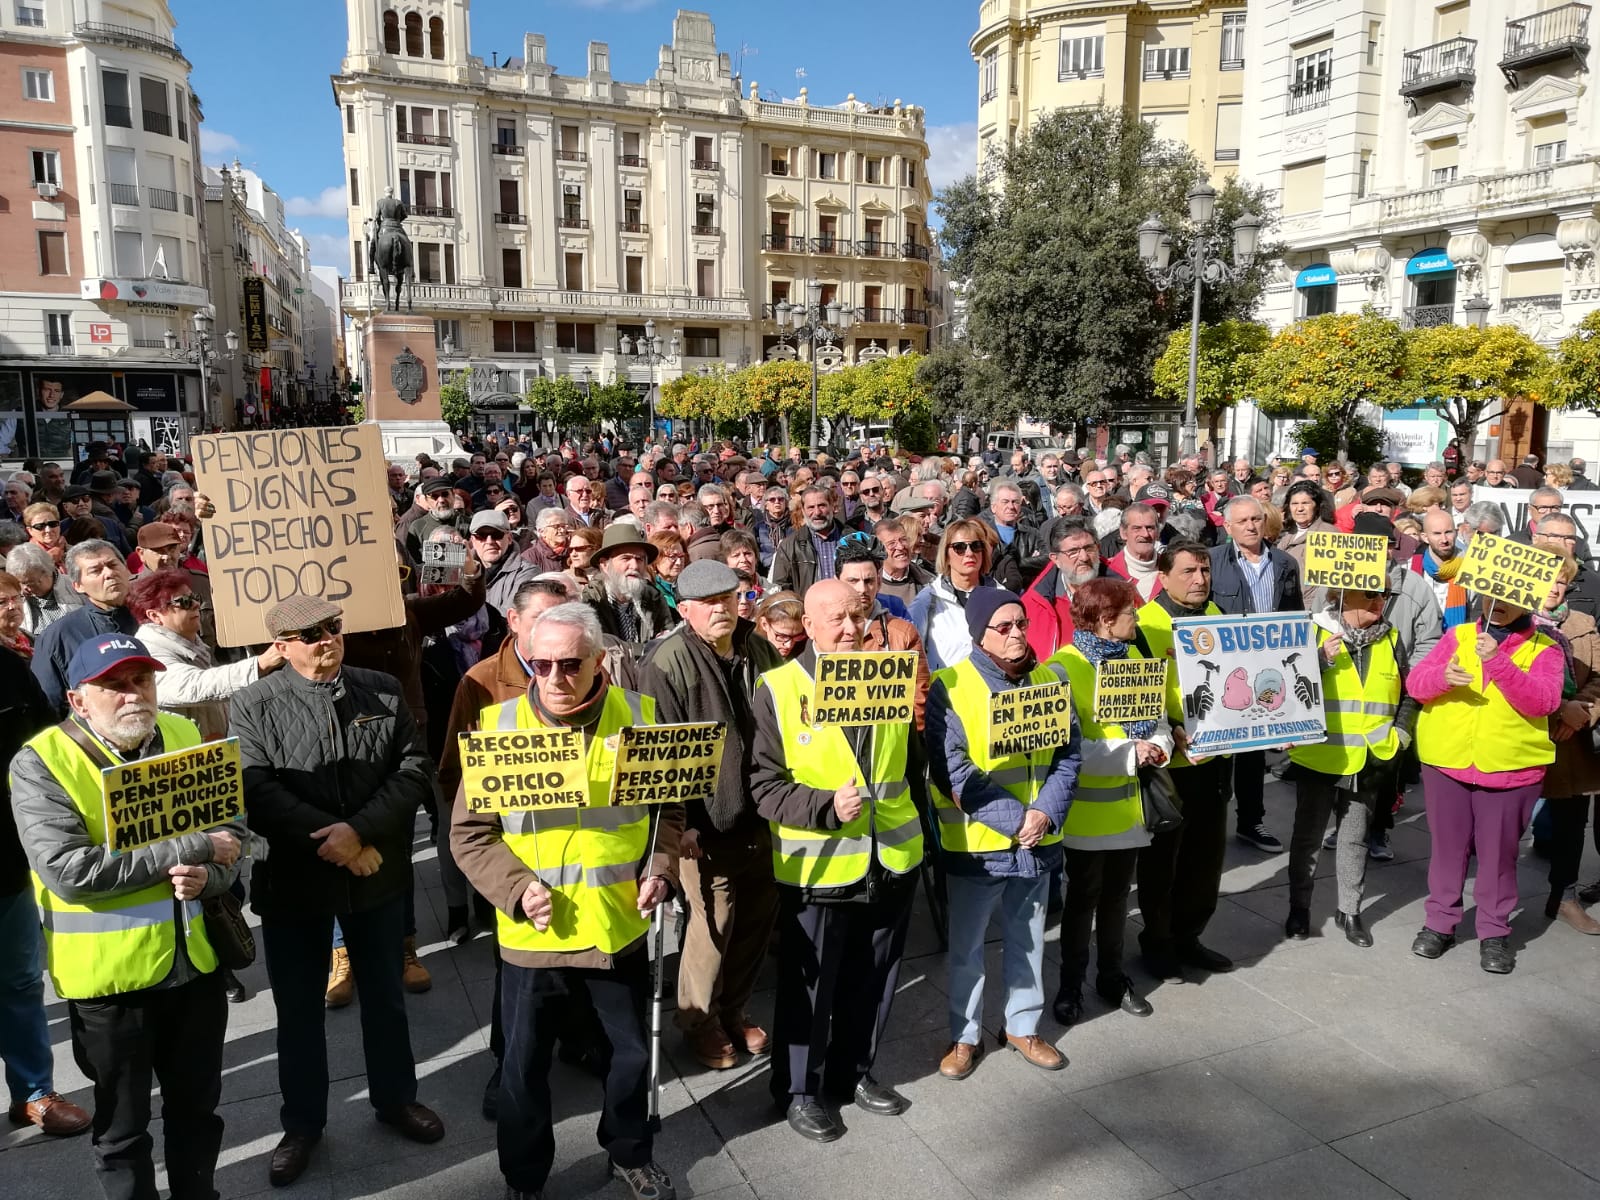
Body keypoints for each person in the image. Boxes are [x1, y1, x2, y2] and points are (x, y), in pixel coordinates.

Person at [451, 603, 681, 1200]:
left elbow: (667, 811)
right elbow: (469, 834)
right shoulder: (498, 730)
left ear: (601, 660)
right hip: (535, 938)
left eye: (569, 664)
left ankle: (630, 1152)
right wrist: (515, 887)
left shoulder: (640, 717)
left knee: (631, 1058)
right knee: (523, 1073)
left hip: (617, 927)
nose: (553, 676)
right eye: (541, 663)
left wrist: (660, 867)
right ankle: (524, 1180)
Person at [12, 634, 240, 1193]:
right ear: (78, 699)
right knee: (121, 1132)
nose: (132, 695)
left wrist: (216, 873)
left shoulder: (184, 733)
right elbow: (71, 870)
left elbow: (232, 833)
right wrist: (193, 851)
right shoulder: (41, 761)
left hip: (196, 967)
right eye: (112, 685)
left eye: (141, 680)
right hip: (110, 986)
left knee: (197, 1114)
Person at [231, 597, 444, 1186]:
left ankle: (396, 1099)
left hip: (376, 873)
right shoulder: (251, 703)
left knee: (385, 999)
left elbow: (413, 766)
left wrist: (362, 830)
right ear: (281, 646)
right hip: (296, 884)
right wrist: (336, 841)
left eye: (332, 628)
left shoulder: (379, 687)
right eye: (309, 633)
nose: (326, 639)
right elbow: (257, 789)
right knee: (298, 1014)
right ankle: (302, 1124)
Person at [750, 580, 926, 1142]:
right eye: (836, 619)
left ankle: (854, 1072)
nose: (851, 628)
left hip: (892, 855)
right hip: (820, 867)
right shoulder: (778, 687)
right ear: (808, 622)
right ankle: (799, 1090)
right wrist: (825, 806)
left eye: (859, 614)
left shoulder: (889, 675)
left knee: (873, 979)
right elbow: (763, 786)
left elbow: (912, 764)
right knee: (810, 989)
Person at [930, 587, 1080, 1080]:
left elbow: (1068, 753)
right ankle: (964, 1036)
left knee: (1029, 940)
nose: (1018, 634)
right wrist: (1015, 820)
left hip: (1038, 840)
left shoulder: (1049, 678)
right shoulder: (950, 684)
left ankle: (1022, 1026)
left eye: (1021, 624)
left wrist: (1044, 814)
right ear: (980, 635)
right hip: (980, 846)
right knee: (968, 949)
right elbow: (951, 769)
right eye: (1004, 627)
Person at [639, 561, 782, 1071]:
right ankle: (698, 1021)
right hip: (706, 820)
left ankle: (733, 1009)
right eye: (710, 602)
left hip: (763, 811)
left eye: (729, 597)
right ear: (685, 610)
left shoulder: (756, 646)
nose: (724, 608)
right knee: (712, 924)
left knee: (757, 919)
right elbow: (664, 751)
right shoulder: (667, 661)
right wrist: (683, 823)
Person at [1407, 595, 1561, 974]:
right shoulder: (1457, 635)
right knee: (1448, 849)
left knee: (1497, 855)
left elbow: (1542, 701)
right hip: (1447, 760)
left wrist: (1497, 660)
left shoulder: (1547, 648)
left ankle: (1494, 930)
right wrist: (1442, 678)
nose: (1499, 604)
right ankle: (1440, 922)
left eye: (1510, 598)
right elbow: (1415, 684)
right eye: (1493, 596)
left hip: (1510, 768)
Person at [1047, 578, 1166, 1024]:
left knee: (1118, 898)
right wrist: (1129, 755)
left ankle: (1112, 978)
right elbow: (1066, 749)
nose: (1136, 618)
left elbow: (1154, 719)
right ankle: (1070, 987)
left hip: (1130, 810)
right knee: (1082, 901)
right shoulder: (1062, 668)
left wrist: (1158, 745)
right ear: (1103, 620)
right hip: (1086, 814)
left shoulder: (1134, 657)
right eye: (1129, 613)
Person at [1285, 582, 1416, 948]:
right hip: (1320, 756)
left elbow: (1408, 695)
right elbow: (1284, 688)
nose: (1380, 603)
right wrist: (1320, 660)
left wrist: (1400, 736)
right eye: (1371, 596)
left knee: (1355, 838)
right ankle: (1299, 908)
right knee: (1308, 839)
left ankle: (1350, 910)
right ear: (1341, 598)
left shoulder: (1390, 639)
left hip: (1370, 759)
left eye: (1384, 597)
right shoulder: (1312, 631)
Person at [0, 612, 84, 1139]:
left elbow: (46, 751)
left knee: (20, 981)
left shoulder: (10, 670)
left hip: (7, 862)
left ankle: (34, 1093)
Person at [1134, 541, 1234, 979]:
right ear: (1163, 576)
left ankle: (1189, 936)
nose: (1200, 580)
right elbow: (1138, 695)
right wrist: (1172, 724)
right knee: (1162, 865)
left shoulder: (1218, 619)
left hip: (1213, 761)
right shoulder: (1144, 625)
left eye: (1205, 571)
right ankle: (1157, 943)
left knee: (1205, 858)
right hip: (1168, 769)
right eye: (1190, 571)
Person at [1209, 497, 1304, 855]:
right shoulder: (1213, 561)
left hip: (1267, 669)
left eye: (1256, 519)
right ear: (1227, 526)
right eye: (1243, 521)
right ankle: (1212, 820)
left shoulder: (1284, 563)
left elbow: (1293, 617)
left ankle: (1251, 821)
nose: (1251, 526)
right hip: (1224, 669)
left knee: (1253, 751)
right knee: (1220, 750)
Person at [1533, 559, 1600, 934]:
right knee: (1504, 825)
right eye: (1547, 580)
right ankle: (1493, 902)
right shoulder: (1511, 621)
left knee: (1572, 824)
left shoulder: (1583, 625)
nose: (1555, 588)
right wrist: (1559, 710)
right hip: (1523, 736)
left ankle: (1565, 896)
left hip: (1571, 744)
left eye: (1562, 582)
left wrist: (1580, 716)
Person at [32, 539, 138, 715]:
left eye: (113, 565)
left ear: (127, 570)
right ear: (78, 586)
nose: (109, 574)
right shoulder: (59, 636)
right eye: (96, 571)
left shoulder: (156, 615)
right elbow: (49, 706)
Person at [909, 519, 995, 672]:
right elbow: (912, 654)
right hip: (946, 691)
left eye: (976, 546)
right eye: (959, 547)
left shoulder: (1001, 596)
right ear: (946, 554)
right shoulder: (928, 599)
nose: (969, 553)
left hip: (993, 690)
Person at [582, 525, 677, 653]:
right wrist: (647, 649)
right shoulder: (593, 600)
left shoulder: (653, 596)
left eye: (640, 559)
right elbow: (604, 648)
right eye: (626, 558)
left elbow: (668, 639)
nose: (635, 566)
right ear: (604, 565)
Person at [769, 486, 848, 595]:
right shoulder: (789, 546)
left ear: (832, 506)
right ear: (803, 510)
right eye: (811, 507)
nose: (817, 512)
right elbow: (781, 588)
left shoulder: (851, 539)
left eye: (822, 506)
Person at [756, 590, 806, 660]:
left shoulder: (805, 652)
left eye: (797, 636)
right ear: (764, 624)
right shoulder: (749, 655)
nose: (789, 645)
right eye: (782, 636)